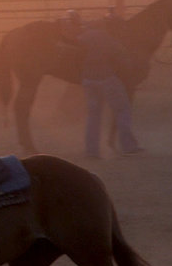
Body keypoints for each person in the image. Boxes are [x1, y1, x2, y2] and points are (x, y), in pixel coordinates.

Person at [60, 11, 142, 158]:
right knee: (122, 109)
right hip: (106, 78)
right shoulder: (107, 37)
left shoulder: (81, 38)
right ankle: (129, 146)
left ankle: (92, 150)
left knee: (93, 116)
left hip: (88, 80)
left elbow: (74, 57)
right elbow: (120, 55)